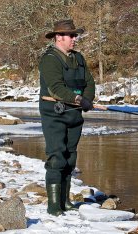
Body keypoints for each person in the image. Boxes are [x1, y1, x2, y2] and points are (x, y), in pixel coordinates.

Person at [39, 19, 95, 216]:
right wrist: (79, 99)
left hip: (74, 115)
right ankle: (53, 205)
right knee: (57, 158)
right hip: (54, 113)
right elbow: (56, 88)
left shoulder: (79, 58)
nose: (74, 39)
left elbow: (89, 81)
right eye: (71, 35)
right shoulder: (49, 59)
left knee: (70, 157)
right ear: (58, 37)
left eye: (75, 35)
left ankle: (65, 200)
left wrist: (87, 99)